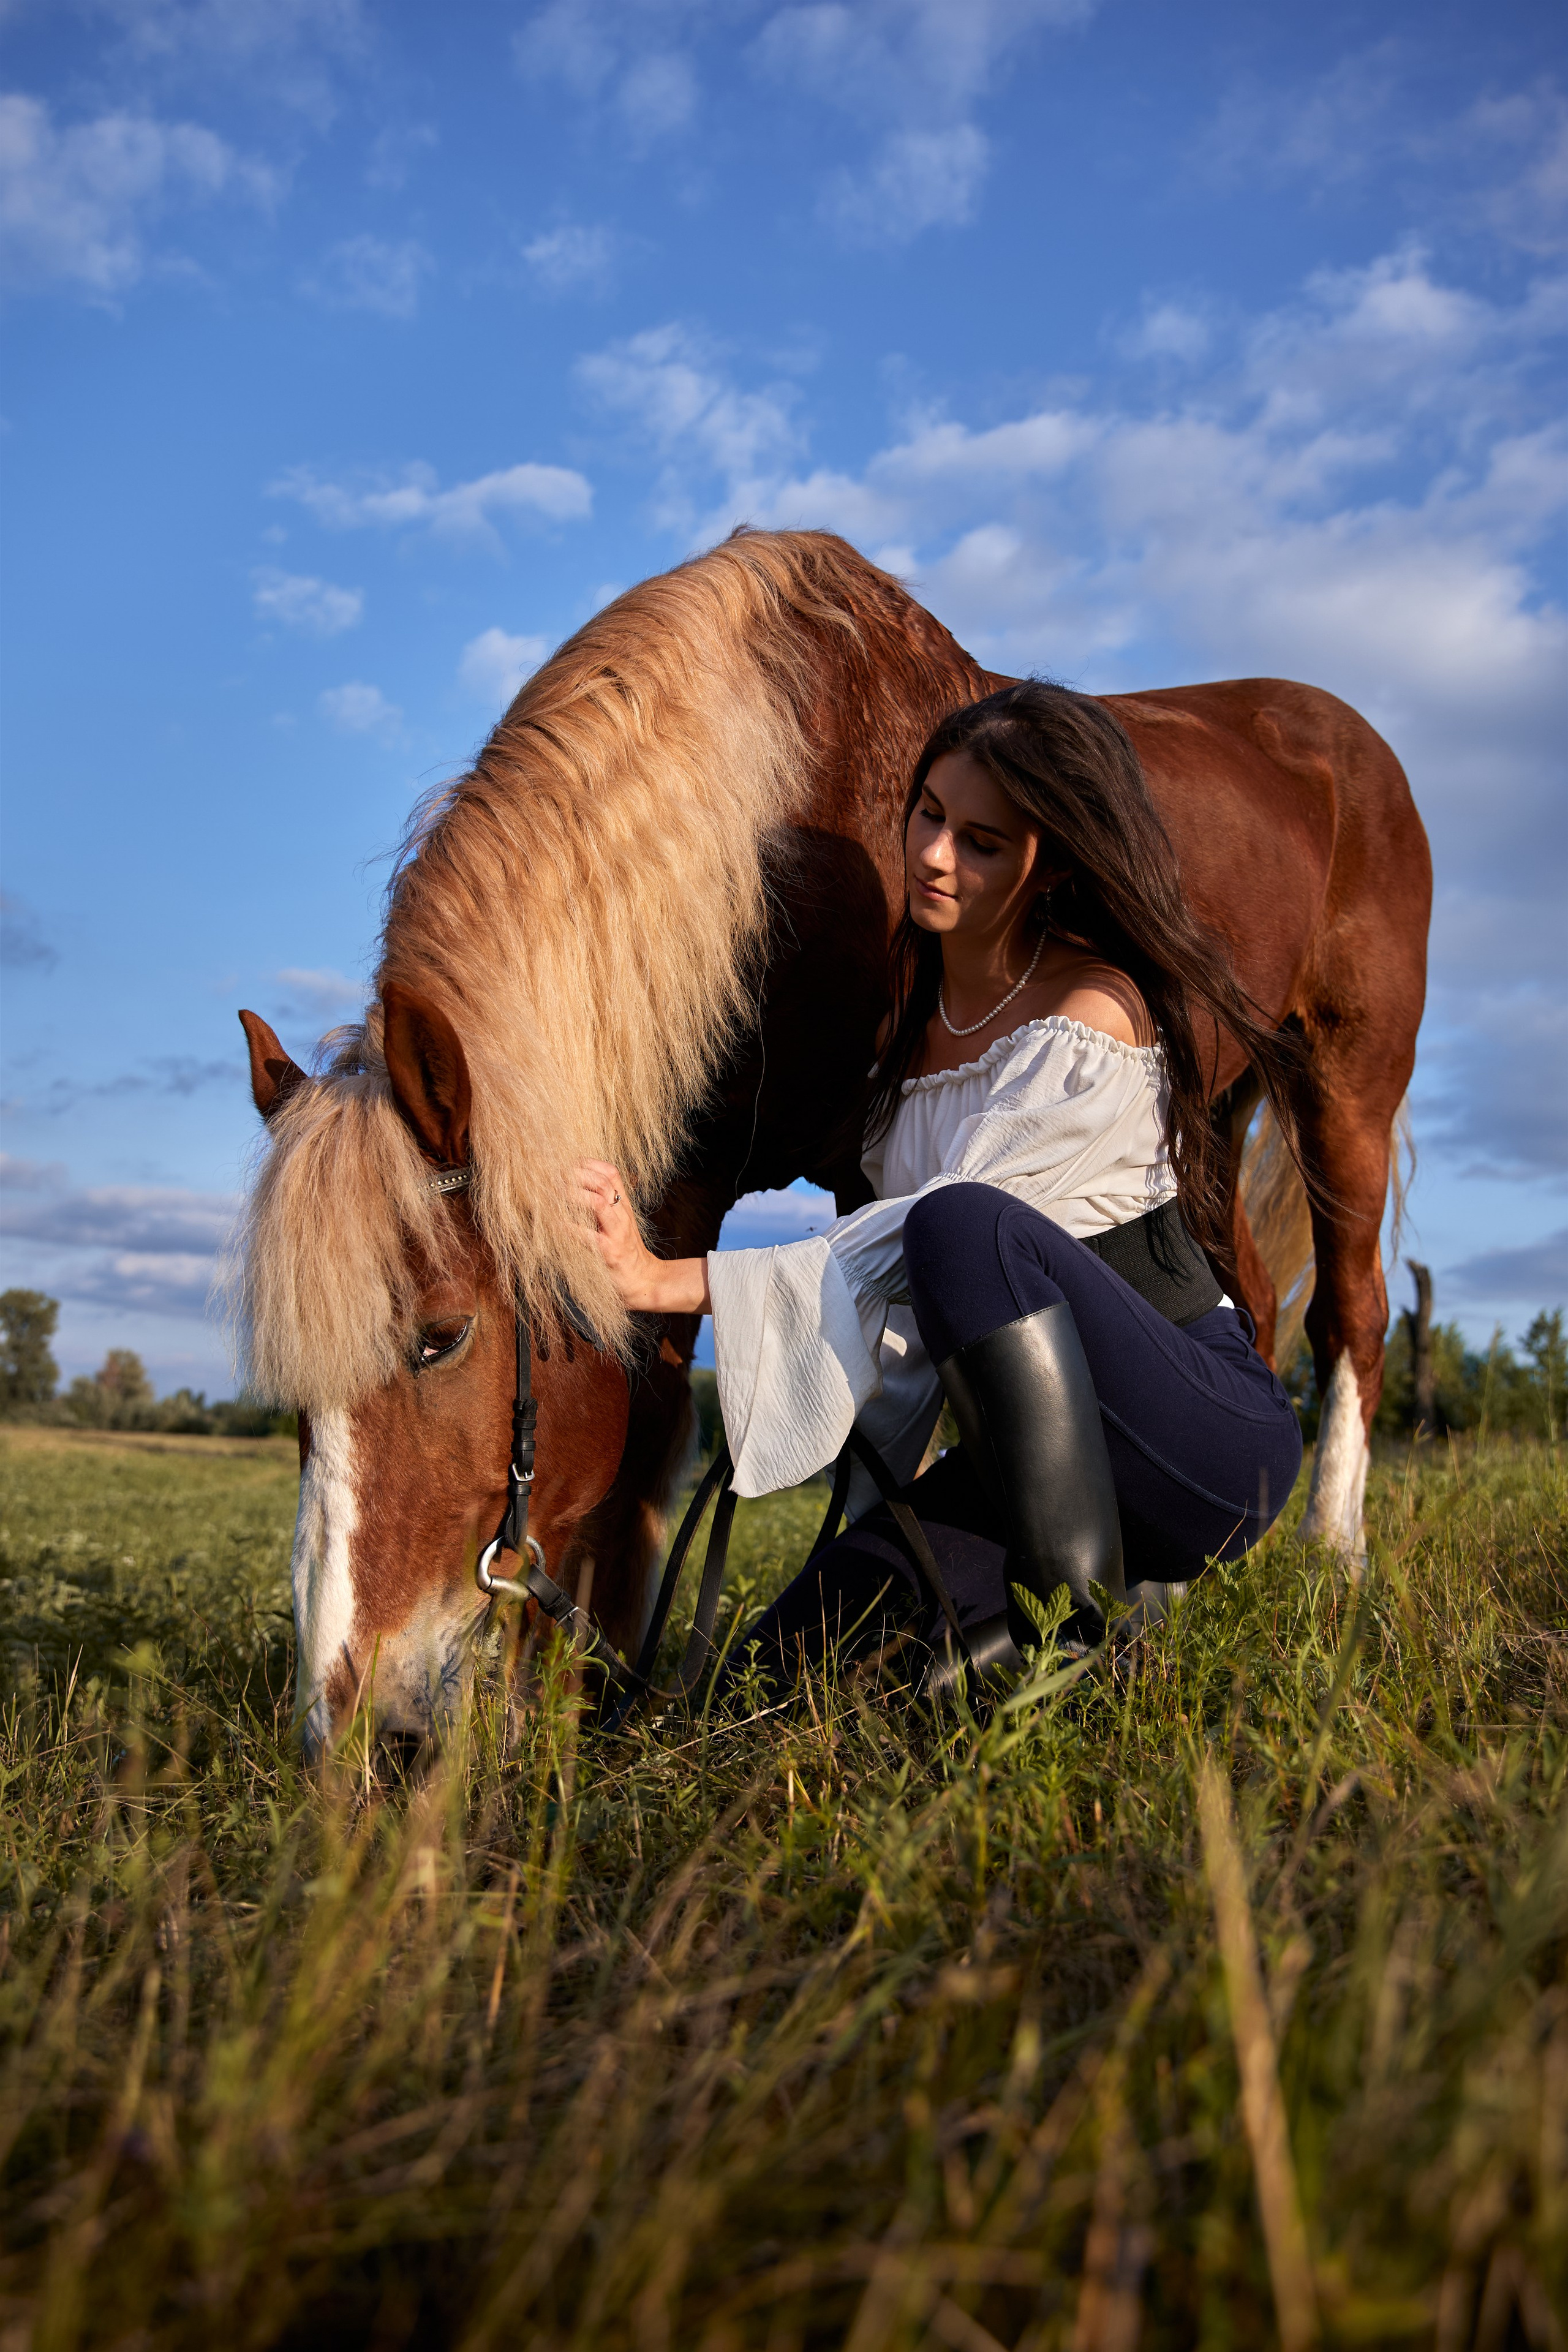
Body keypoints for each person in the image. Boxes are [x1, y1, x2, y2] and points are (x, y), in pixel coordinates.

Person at [576, 682, 1304, 1695]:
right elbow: (907, 1331)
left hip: (1199, 1442)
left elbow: (918, 1240)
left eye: (982, 842)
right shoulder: (909, 1056)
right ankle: (1039, 1608)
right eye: (929, 813)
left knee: (961, 1226)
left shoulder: (1092, 1019)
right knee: (780, 1674)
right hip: (1044, 1475)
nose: (933, 854)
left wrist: (662, 1280)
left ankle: (1074, 1630)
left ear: (1046, 866)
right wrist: (883, 1542)